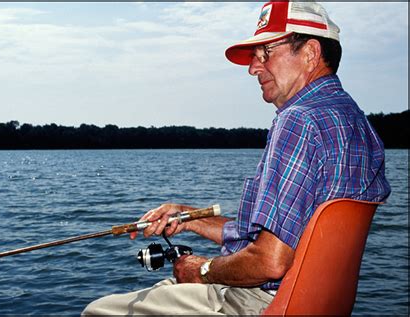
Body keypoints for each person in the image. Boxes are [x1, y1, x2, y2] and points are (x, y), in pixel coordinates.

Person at [82, 1, 391, 315]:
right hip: (317, 305)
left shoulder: (299, 121)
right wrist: (190, 218)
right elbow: (288, 242)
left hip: (260, 302)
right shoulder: (358, 123)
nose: (253, 68)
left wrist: (202, 270)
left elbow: (270, 261)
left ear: (310, 53)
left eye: (266, 53)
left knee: (98, 311)